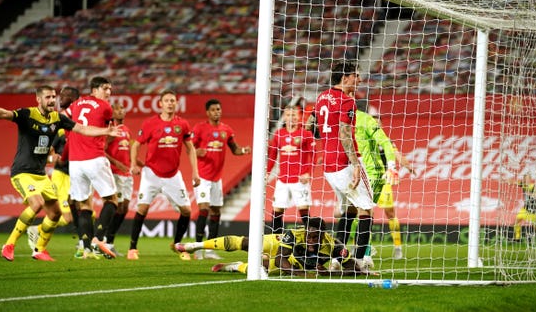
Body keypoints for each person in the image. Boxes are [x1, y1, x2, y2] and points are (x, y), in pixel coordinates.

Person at [0, 85, 120, 261]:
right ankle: (9, 244)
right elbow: (4, 113)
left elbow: (82, 129)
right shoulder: (27, 114)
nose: (52, 100)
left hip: (41, 174)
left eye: (53, 97)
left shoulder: (57, 118)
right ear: (38, 99)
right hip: (22, 172)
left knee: (55, 213)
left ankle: (39, 249)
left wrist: (105, 131)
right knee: (36, 203)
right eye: (48, 97)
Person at [305, 61, 374, 269]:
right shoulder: (346, 101)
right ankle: (360, 262)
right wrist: (355, 166)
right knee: (366, 210)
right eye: (356, 75)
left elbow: (311, 126)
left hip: (328, 164)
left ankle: (337, 259)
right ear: (345, 78)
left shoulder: (321, 97)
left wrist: (325, 138)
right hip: (344, 162)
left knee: (349, 211)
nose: (359, 79)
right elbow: (345, 135)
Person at [127, 89, 200, 260]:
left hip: (173, 175)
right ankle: (132, 249)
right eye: (166, 100)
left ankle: (177, 245)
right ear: (160, 104)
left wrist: (195, 172)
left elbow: (190, 149)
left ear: (176, 103)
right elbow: (136, 145)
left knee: (186, 211)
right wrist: (133, 164)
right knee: (142, 208)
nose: (170, 103)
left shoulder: (182, 124)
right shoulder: (149, 123)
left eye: (172, 100)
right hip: (151, 173)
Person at [174, 217, 377, 276]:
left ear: (324, 235)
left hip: (292, 262)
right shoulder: (293, 234)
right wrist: (300, 274)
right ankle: (194, 245)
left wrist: (342, 273)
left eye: (316, 236)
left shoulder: (332, 245)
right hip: (278, 244)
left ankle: (232, 266)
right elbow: (281, 258)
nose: (311, 239)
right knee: (247, 243)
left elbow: (350, 265)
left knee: (262, 269)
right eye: (309, 235)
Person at [191, 98, 251, 259]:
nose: (217, 112)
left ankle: (210, 249)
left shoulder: (226, 130)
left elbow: (235, 149)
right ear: (207, 112)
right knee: (204, 208)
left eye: (219, 109)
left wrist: (244, 150)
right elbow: (190, 148)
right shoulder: (200, 128)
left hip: (217, 178)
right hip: (202, 177)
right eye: (214, 110)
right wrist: (197, 152)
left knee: (216, 211)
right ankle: (197, 248)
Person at [67, 76, 119, 259]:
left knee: (84, 205)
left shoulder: (75, 104)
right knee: (112, 200)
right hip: (94, 157)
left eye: (110, 89)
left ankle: (86, 248)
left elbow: (66, 121)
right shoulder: (106, 107)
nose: (108, 93)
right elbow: (109, 127)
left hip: (75, 161)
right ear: (94, 89)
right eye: (105, 88)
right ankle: (98, 238)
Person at [26, 86, 81, 256]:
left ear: (73, 99)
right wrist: (53, 156)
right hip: (62, 175)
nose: (59, 98)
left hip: (77, 173)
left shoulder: (74, 121)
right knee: (68, 217)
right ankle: (37, 230)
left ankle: (83, 244)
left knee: (85, 211)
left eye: (64, 95)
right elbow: (48, 145)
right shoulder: (58, 122)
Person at [354, 107, 414, 261]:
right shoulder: (362, 139)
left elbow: (397, 155)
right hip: (366, 178)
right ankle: (366, 248)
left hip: (383, 180)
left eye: (378, 120)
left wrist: (408, 166)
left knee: (390, 213)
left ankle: (398, 247)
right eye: (373, 119)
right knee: (366, 212)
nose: (376, 122)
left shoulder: (386, 142)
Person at [266, 105, 315, 234]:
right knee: (277, 210)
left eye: (294, 115)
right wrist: (267, 173)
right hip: (282, 179)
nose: (291, 118)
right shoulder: (279, 134)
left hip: (300, 179)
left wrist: (308, 173)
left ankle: (311, 242)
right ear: (284, 116)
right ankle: (276, 243)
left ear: (299, 116)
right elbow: (272, 156)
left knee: (304, 210)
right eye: (288, 115)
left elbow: (313, 155)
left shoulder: (306, 133)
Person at [103, 102, 138, 257]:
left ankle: (109, 241)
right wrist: (116, 163)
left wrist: (140, 163)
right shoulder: (111, 131)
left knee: (124, 208)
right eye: (116, 109)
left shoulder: (126, 130)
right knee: (116, 207)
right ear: (111, 113)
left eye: (122, 109)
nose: (120, 111)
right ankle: (105, 240)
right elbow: (102, 150)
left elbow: (129, 151)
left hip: (127, 174)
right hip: (115, 173)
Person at [512, 174, 536, 246]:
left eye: (527, 179)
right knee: (517, 221)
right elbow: (515, 182)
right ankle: (517, 238)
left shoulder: (533, 186)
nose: (526, 180)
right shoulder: (524, 185)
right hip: (525, 209)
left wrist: (531, 194)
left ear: (530, 179)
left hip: (533, 211)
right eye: (525, 179)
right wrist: (507, 180)